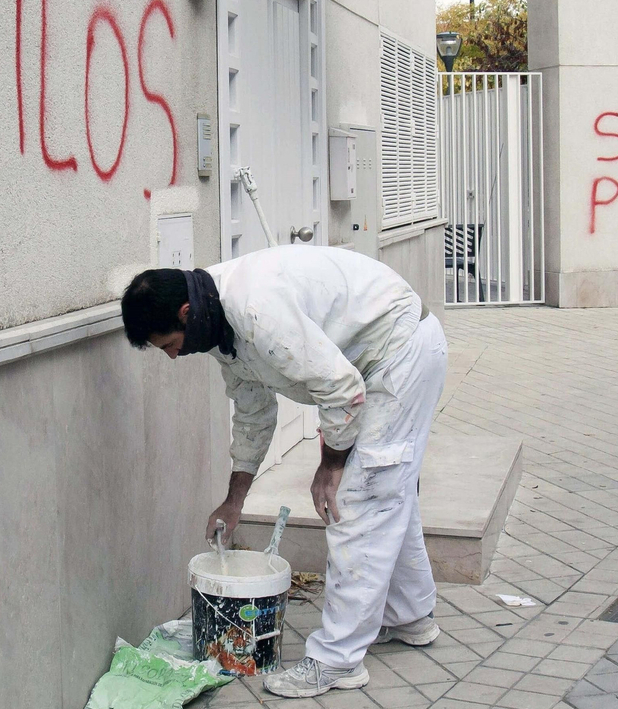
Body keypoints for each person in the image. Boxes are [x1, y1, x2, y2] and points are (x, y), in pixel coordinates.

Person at [120, 244, 448, 699]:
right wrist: (234, 501)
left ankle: (337, 661)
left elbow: (343, 390)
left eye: (170, 345)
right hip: (377, 358)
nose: (174, 357)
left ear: (185, 313)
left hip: (398, 354)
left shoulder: (255, 310)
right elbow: (254, 413)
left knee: (358, 498)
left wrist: (329, 467)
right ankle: (410, 617)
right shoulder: (216, 322)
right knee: (389, 493)